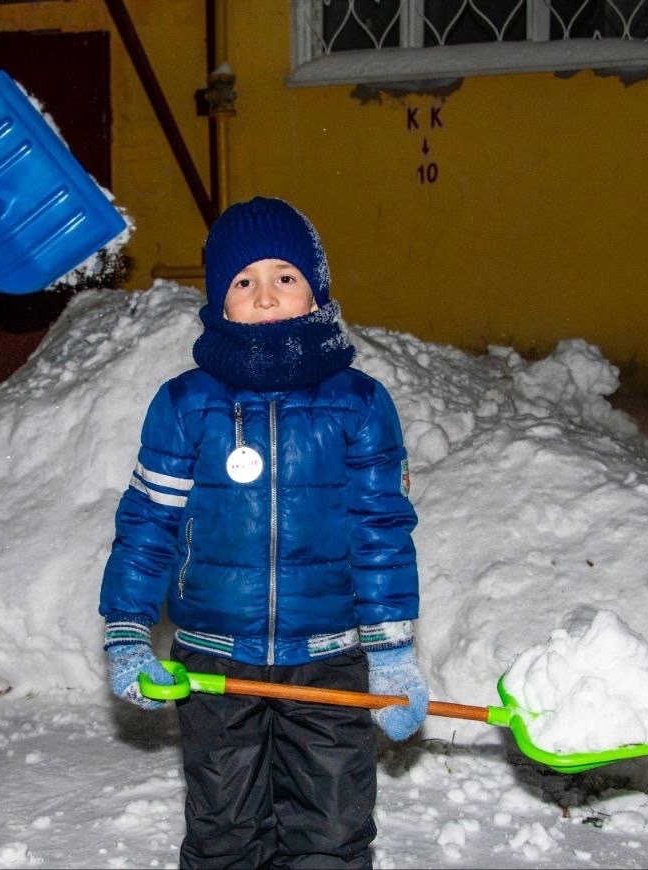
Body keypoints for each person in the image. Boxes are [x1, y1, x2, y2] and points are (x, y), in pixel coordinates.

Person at [99, 196, 429, 868]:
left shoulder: (360, 404)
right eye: (244, 281)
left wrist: (392, 650)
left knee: (333, 829)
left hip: (330, 654)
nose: (266, 293)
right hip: (215, 657)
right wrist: (128, 629)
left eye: (285, 275)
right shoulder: (187, 404)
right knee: (226, 829)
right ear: (221, 303)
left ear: (317, 289)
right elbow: (148, 523)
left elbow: (382, 532)